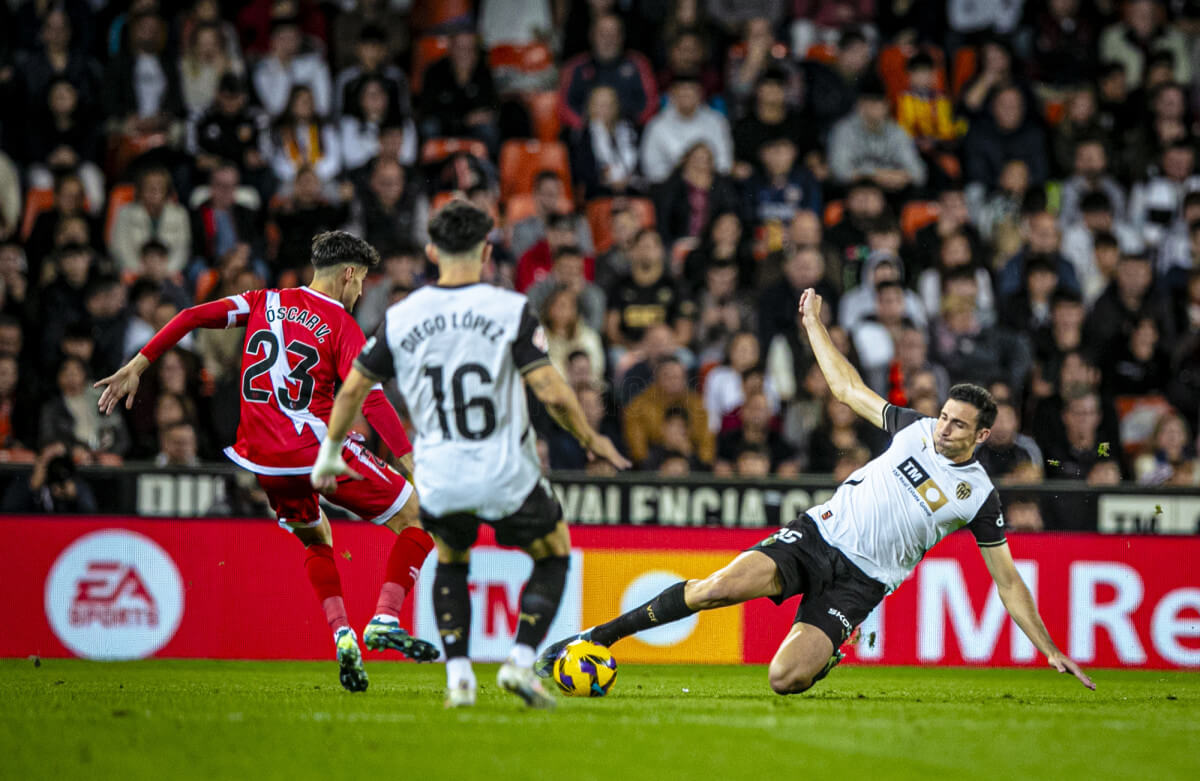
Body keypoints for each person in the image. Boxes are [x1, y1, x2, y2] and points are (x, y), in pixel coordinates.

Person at [537, 288, 1095, 696]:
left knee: (785, 679)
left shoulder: (978, 495)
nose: (943, 428)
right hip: (817, 535)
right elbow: (847, 388)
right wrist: (813, 327)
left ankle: (827, 656)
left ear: (982, 435)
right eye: (944, 416)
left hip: (862, 583)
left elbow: (1008, 580)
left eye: (956, 424)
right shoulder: (914, 428)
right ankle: (597, 636)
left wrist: (1047, 647)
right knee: (713, 590)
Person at [312, 201, 629, 708]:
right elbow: (549, 389)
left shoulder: (402, 315)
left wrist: (330, 452)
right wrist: (592, 439)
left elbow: (352, 390)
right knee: (553, 553)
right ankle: (521, 663)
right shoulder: (510, 309)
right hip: (506, 471)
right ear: (486, 251)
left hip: (440, 474)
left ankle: (459, 676)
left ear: (433, 250)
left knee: (453, 560)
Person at [95, 231, 440, 692]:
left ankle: (342, 635)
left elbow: (192, 315)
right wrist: (408, 461)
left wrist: (139, 363)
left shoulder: (263, 300)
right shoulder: (340, 324)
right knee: (419, 518)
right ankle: (385, 619)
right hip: (314, 449)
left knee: (317, 537)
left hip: (263, 461)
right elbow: (370, 399)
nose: (359, 294)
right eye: (360, 284)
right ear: (350, 275)